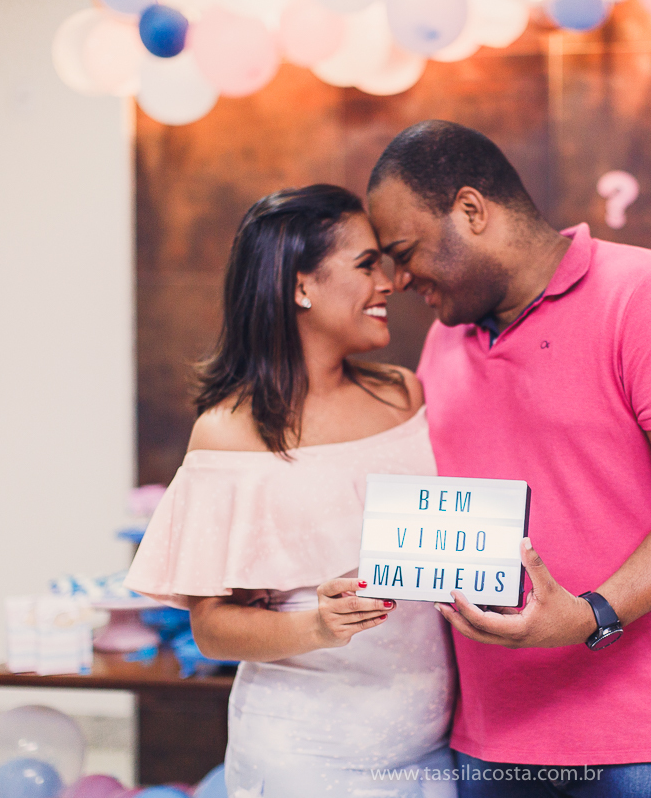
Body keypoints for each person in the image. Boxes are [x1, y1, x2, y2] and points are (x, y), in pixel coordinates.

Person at [366, 121, 651, 798]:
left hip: (646, 742)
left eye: (405, 252)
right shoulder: (443, 343)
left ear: (471, 211)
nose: (398, 279)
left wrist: (589, 614)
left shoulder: (650, 296)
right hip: (490, 741)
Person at [125, 185, 456, 798]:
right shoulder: (227, 435)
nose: (388, 282)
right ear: (300, 285)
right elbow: (213, 628)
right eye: (365, 265)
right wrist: (321, 627)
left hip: (430, 749)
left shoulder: (405, 395)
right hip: (306, 756)